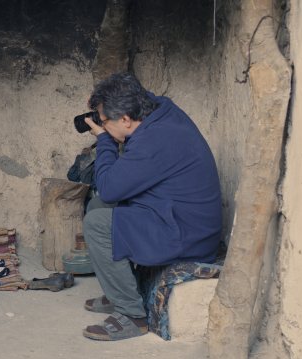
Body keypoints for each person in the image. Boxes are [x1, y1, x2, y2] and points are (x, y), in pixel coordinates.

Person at [80, 72, 222, 341]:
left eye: (105, 120)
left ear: (125, 119)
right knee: (96, 206)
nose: (102, 124)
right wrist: (102, 100)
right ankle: (121, 290)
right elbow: (143, 95)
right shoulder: (162, 109)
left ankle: (132, 315)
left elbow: (110, 190)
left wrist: (105, 140)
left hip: (186, 234)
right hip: (177, 213)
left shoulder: (152, 141)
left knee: (97, 223)